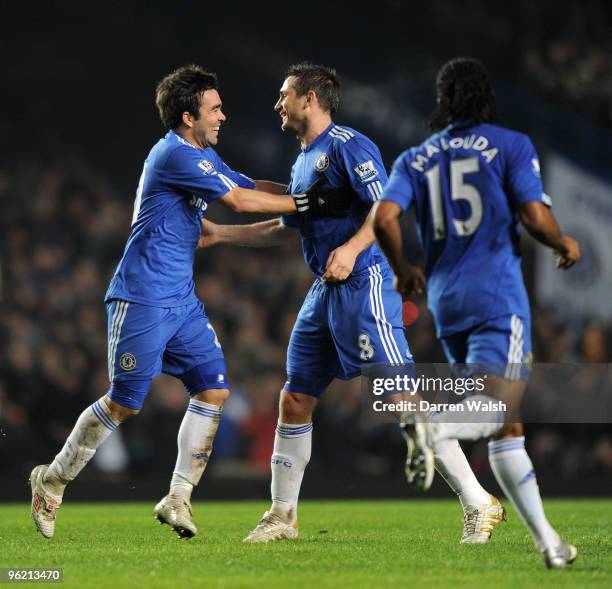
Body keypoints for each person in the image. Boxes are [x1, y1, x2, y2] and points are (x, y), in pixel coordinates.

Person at [29, 64, 351, 540]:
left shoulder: (201, 154)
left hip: (180, 299)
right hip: (141, 296)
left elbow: (253, 187)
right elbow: (240, 203)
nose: (223, 116)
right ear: (188, 116)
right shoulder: (173, 155)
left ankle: (178, 497)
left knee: (213, 390)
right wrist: (315, 204)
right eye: (214, 108)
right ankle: (51, 480)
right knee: (124, 402)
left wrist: (314, 191)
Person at [199, 62, 504, 545]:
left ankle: (478, 500)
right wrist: (220, 235)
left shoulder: (348, 146)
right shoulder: (302, 160)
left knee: (400, 398)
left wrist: (351, 248)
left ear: (310, 99)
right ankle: (282, 515)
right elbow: (284, 228)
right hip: (324, 292)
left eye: (285, 94)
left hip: (365, 283)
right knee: (295, 397)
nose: (277, 103)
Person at [372, 57, 580, 569]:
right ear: (486, 99)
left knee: (505, 424)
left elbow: (384, 217)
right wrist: (563, 241)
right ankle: (435, 426)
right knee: (500, 402)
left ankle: (549, 544)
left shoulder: (416, 158)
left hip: (446, 300)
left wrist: (403, 269)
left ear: (442, 102)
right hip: (496, 294)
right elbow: (534, 216)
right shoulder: (510, 144)